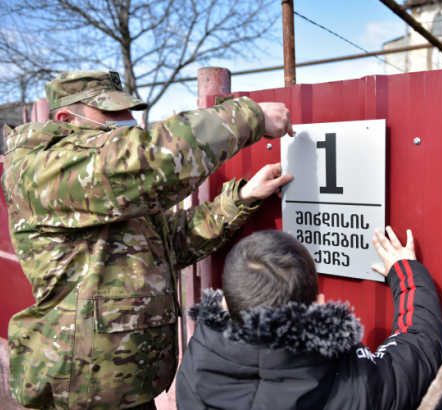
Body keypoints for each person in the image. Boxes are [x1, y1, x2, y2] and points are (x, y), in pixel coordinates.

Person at [2, 70, 294, 409]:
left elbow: (173, 242)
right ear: (67, 118)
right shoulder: (42, 170)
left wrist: (240, 198)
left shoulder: (102, 189)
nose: (127, 121)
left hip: (126, 388)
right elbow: (150, 159)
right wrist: (249, 117)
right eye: (111, 113)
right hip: (79, 391)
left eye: (126, 110)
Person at [176, 227, 442, 410]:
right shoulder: (354, 385)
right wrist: (406, 273)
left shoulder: (194, 366)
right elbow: (420, 347)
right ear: (317, 307)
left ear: (224, 301)